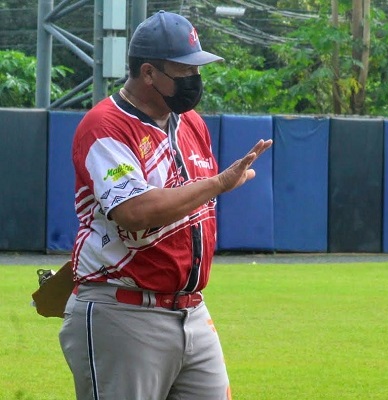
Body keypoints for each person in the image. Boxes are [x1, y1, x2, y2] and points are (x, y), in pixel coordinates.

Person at [59, 10, 273, 400]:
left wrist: (219, 185)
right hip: (123, 312)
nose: (195, 79)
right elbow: (135, 212)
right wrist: (219, 183)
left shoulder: (190, 122)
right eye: (184, 71)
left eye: (197, 69)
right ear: (148, 73)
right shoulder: (106, 125)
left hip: (191, 311)